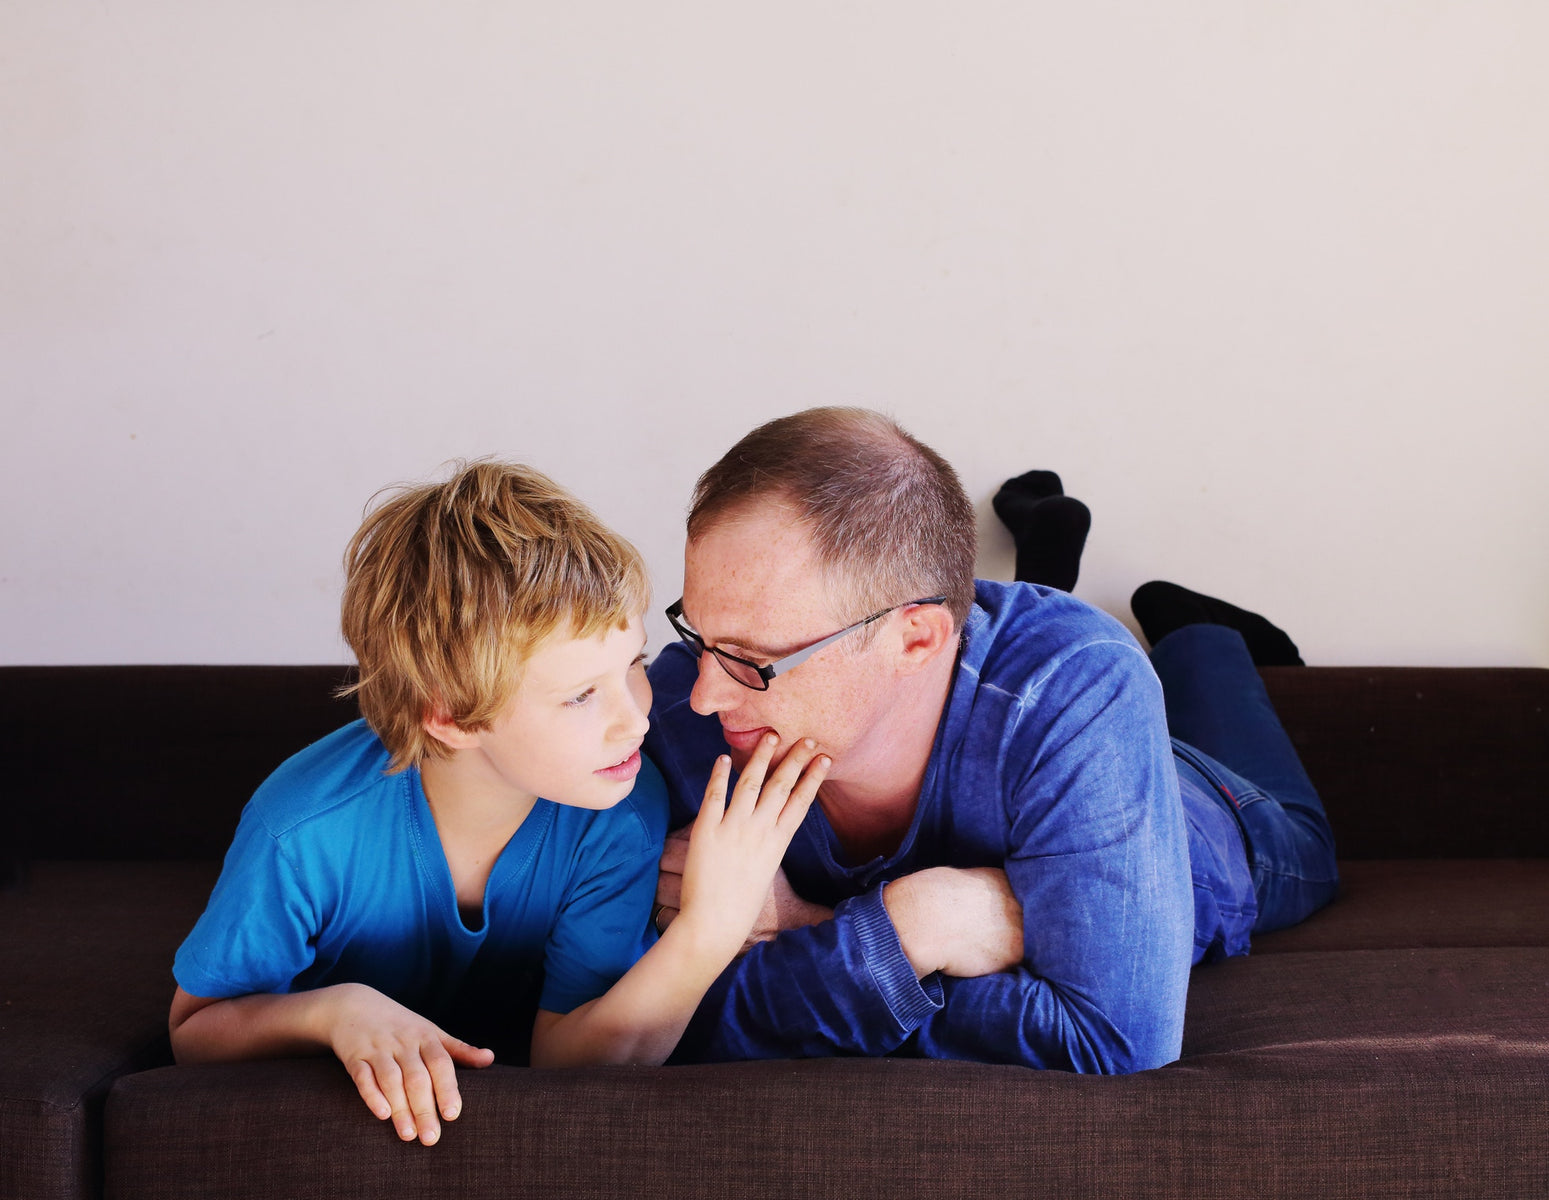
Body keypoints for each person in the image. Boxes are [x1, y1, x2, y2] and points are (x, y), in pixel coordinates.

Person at [644, 408, 1337, 1072]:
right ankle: (1042, 561)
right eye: (696, 635)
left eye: (752, 658)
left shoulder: (1079, 681)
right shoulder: (680, 706)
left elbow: (1113, 1042)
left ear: (916, 638)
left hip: (1202, 809)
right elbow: (626, 1028)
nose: (704, 693)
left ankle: (1202, 637)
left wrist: (841, 931)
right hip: (1018, 723)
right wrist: (916, 933)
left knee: (1306, 845)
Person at [169, 460, 829, 1145]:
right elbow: (193, 1032)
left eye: (632, 665)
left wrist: (711, 926)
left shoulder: (620, 813)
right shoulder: (301, 832)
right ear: (452, 717)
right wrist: (334, 1012)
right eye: (580, 695)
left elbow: (572, 1063)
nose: (636, 720)